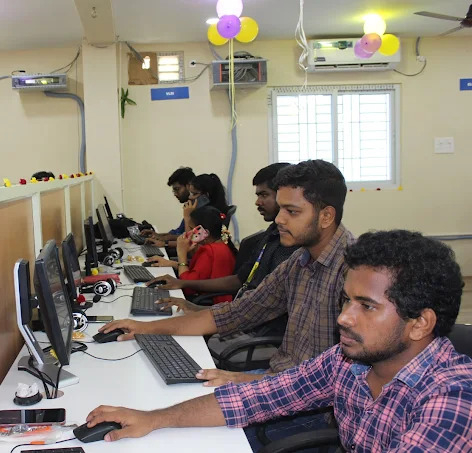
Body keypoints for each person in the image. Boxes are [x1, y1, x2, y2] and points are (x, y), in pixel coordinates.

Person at [84, 231, 472, 453]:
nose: (344, 317)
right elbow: (259, 397)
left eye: (366, 306)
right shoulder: (347, 361)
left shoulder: (451, 401)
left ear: (420, 324)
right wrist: (154, 418)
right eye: (346, 300)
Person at [100, 159, 352, 385]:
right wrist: (144, 327)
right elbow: (238, 312)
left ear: (326, 216)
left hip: (304, 401)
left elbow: (339, 379)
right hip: (280, 382)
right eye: (281, 208)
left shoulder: (353, 272)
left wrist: (243, 380)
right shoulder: (299, 262)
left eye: (292, 211)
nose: (279, 219)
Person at [147, 163, 297, 311]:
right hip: (234, 311)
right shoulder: (270, 235)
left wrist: (196, 305)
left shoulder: (290, 250)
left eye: (264, 195)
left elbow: (258, 310)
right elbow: (239, 280)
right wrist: (184, 285)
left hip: (240, 318)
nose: (257, 202)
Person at [170, 206, 236, 304]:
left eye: (191, 229)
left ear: (205, 233)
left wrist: (181, 253)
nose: (189, 233)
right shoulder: (221, 245)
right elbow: (200, 272)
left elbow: (187, 285)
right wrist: (172, 263)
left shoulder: (209, 251)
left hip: (209, 305)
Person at [141, 167, 195, 240]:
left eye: (177, 189)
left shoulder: (198, 208)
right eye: (174, 190)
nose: (175, 194)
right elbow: (178, 232)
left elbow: (189, 238)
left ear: (189, 186)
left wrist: (164, 240)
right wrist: (157, 235)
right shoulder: (189, 206)